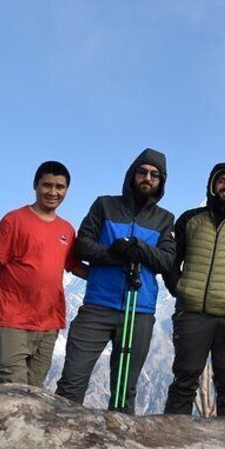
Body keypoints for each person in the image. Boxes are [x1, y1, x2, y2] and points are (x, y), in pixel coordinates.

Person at [55, 148, 175, 414]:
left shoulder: (165, 219)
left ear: (161, 181)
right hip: (98, 305)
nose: (147, 178)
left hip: (139, 311)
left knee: (124, 391)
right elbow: (82, 246)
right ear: (132, 174)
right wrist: (113, 253)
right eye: (142, 172)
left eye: (155, 175)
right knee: (72, 382)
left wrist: (139, 248)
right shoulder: (104, 205)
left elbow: (167, 260)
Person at [163, 162, 225, 418]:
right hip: (192, 312)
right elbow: (171, 259)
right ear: (211, 184)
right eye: (221, 181)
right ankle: (172, 443)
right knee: (184, 382)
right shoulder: (189, 219)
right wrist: (178, 288)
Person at [0, 161, 87, 387]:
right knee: (9, 395)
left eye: (60, 187)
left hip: (48, 325)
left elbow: (74, 266)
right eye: (47, 185)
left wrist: (111, 275)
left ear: (66, 190)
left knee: (33, 395)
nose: (53, 192)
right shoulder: (15, 220)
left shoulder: (66, 229)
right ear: (35, 186)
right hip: (10, 322)